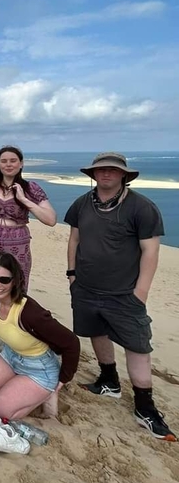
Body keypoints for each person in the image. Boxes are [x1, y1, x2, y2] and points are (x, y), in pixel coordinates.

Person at [65, 152, 174, 440]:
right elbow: (74, 239)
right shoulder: (82, 203)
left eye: (113, 170)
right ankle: (109, 380)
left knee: (137, 345)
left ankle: (145, 406)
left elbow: (151, 251)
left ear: (124, 175)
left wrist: (141, 292)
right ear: (93, 174)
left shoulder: (141, 207)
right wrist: (72, 275)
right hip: (86, 288)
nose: (106, 174)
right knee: (96, 332)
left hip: (125, 293)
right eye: (101, 170)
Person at [0, 252, 79, 430]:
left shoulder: (30, 313)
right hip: (10, 355)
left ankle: (46, 395)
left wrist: (63, 380)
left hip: (39, 369)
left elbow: (71, 343)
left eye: (4, 280)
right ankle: (21, 389)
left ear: (14, 280)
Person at [0, 145, 56, 289]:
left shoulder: (30, 188)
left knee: (16, 283)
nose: (8, 164)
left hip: (17, 244)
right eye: (4, 161)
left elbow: (51, 219)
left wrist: (24, 199)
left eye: (13, 160)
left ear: (21, 163)